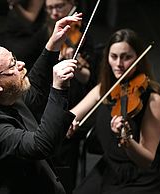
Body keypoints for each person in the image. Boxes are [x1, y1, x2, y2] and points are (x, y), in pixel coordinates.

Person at [0, 13, 82, 194]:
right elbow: (41, 146)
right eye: (12, 65)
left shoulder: (2, 95)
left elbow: (35, 89)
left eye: (14, 58)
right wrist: (59, 88)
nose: (21, 64)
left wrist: (53, 45)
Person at [68, 29, 160, 194]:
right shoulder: (104, 89)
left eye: (126, 57)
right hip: (112, 168)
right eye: (114, 56)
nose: (119, 64)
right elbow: (72, 115)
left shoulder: (152, 100)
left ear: (138, 59)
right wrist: (68, 123)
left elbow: (146, 160)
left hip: (144, 178)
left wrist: (126, 140)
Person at [44, 0, 100, 192]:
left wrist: (73, 62)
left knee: (64, 135)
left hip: (77, 100)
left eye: (59, 6)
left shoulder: (84, 35)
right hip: (51, 95)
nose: (54, 13)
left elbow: (87, 78)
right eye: (49, 8)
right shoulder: (47, 29)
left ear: (71, 4)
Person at [0, 0, 47, 71]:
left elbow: (30, 19)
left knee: (14, 57)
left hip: (29, 34)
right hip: (11, 31)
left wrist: (15, 4)